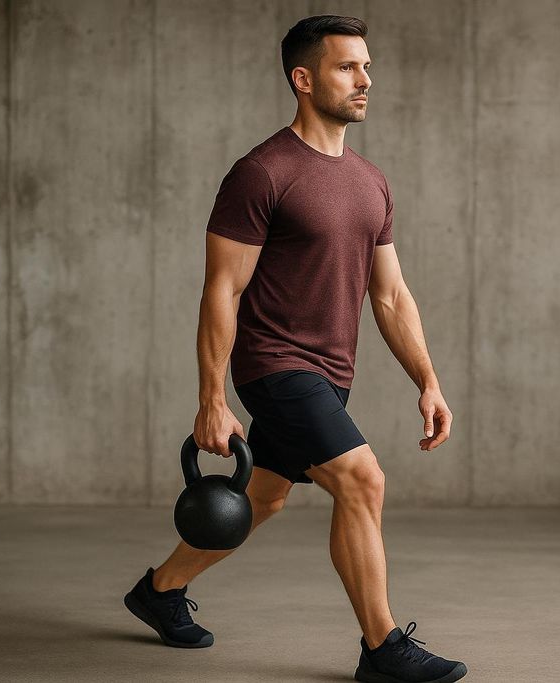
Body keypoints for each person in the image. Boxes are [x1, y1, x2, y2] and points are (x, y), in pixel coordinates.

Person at [123, 14, 466, 683]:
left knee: (267, 496)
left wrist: (427, 379)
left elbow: (390, 295)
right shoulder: (262, 173)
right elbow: (221, 290)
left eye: (367, 66)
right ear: (303, 79)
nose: (365, 80)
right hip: (275, 366)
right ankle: (382, 648)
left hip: (332, 373)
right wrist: (211, 399)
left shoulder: (371, 181)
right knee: (363, 480)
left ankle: (159, 591)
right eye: (347, 67)